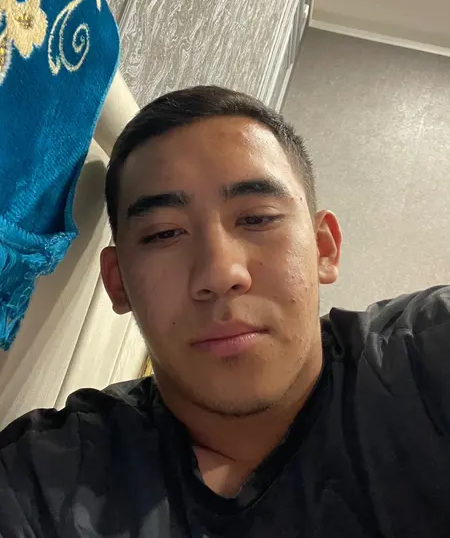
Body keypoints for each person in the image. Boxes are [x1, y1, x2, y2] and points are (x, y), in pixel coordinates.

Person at [0, 85, 449, 538]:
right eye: (164, 234)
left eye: (257, 219)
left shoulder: (423, 361)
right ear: (118, 283)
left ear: (324, 248)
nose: (219, 272)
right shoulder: (41, 483)